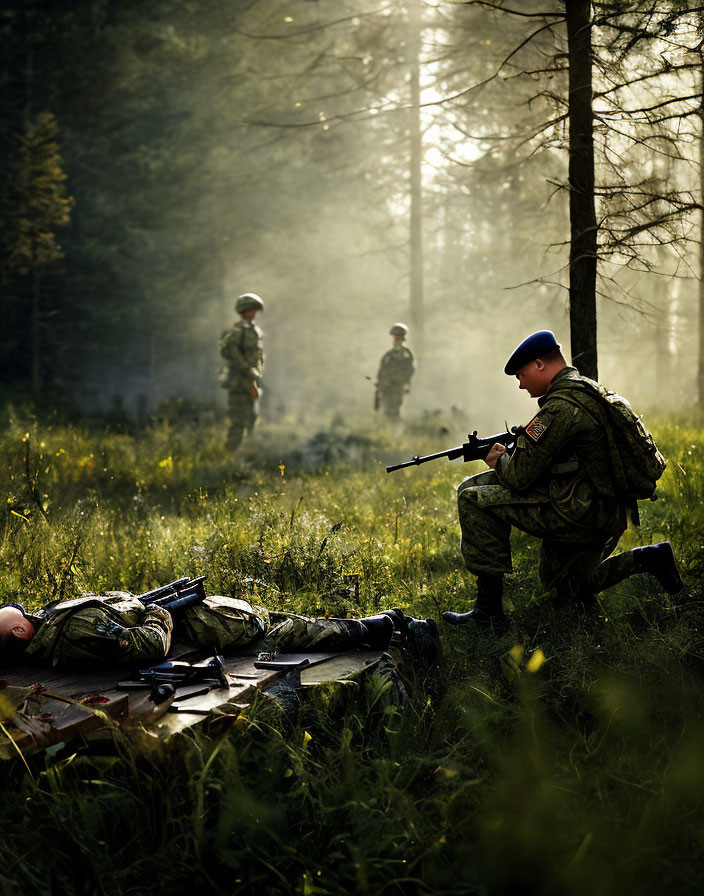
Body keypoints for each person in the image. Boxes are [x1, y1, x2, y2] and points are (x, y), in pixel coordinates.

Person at [443, 330, 683, 630]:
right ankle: (649, 559)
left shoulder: (560, 407)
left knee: (471, 496)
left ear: (540, 364)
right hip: (607, 508)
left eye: (521, 374)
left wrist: (497, 460)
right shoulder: (591, 390)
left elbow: (518, 477)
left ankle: (488, 613)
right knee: (563, 590)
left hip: (579, 513)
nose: (520, 383)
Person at [0, 590, 441, 672]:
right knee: (304, 632)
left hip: (211, 625)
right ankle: (390, 624)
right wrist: (158, 613)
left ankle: (388, 625)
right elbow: (149, 644)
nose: (23, 611)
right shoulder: (75, 633)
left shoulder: (53, 624)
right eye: (15, 617)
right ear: (20, 635)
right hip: (214, 631)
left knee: (300, 626)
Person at [220, 293, 265, 451]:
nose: (253, 313)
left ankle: (245, 455)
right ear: (243, 311)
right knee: (238, 423)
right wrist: (246, 369)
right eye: (250, 310)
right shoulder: (238, 331)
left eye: (254, 310)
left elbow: (257, 357)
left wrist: (255, 375)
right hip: (240, 383)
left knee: (251, 419)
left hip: (251, 381)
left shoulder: (254, 330)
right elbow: (229, 351)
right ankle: (229, 459)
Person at [375, 323, 415, 420]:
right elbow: (382, 370)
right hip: (386, 386)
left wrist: (407, 384)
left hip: (398, 386)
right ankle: (387, 429)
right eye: (395, 337)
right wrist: (379, 385)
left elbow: (409, 371)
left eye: (398, 337)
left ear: (403, 338)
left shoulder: (406, 354)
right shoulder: (389, 355)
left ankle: (395, 430)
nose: (396, 339)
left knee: (395, 410)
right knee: (385, 409)